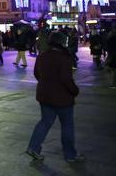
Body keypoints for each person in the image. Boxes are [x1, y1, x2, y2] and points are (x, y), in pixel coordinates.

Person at [26, 32, 84, 162]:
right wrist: (74, 90)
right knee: (67, 125)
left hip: (44, 96)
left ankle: (33, 147)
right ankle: (70, 154)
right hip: (62, 98)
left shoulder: (42, 56)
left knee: (45, 122)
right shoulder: (64, 57)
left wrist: (46, 83)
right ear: (62, 43)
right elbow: (66, 79)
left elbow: (37, 73)